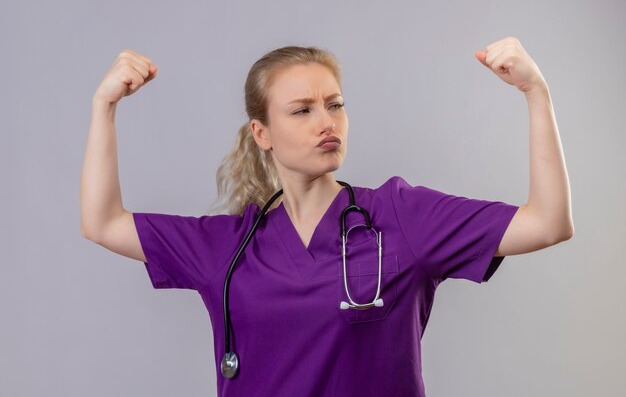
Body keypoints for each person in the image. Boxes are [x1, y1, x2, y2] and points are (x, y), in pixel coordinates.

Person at [80, 37, 574, 397]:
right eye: (302, 111)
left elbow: (548, 222)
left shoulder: (402, 217)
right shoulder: (227, 248)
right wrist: (104, 106)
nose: (326, 122)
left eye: (335, 105)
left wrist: (537, 94)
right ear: (262, 133)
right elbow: (102, 222)